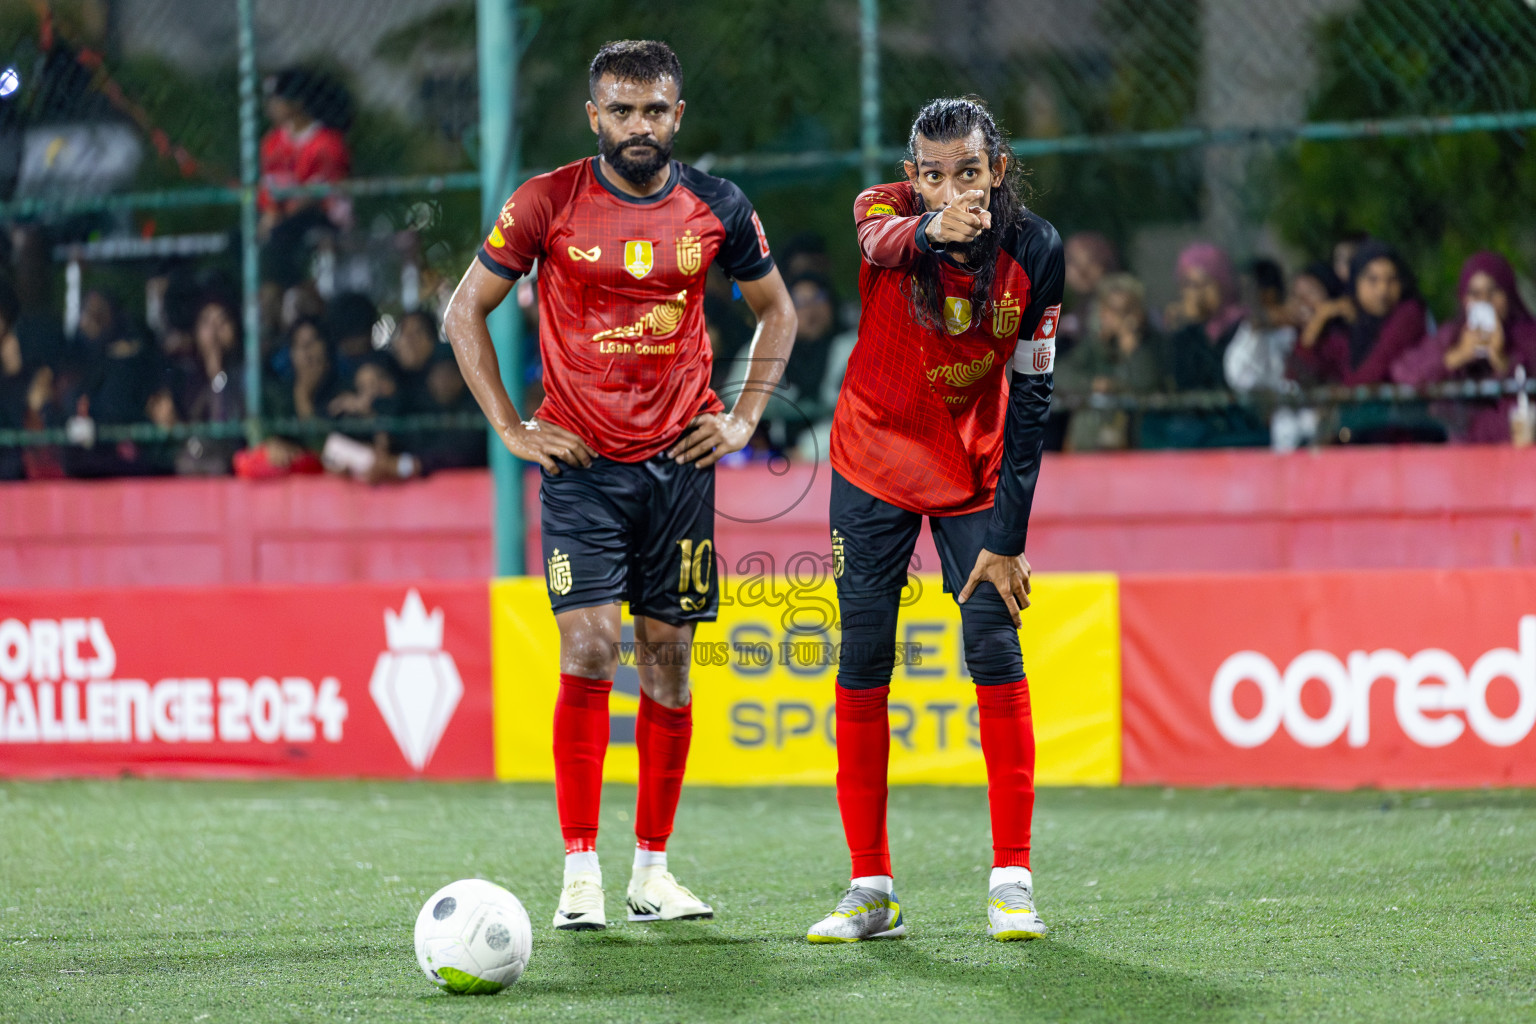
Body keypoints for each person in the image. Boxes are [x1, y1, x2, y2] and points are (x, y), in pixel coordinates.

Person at [441, 40, 796, 932]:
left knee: (670, 665)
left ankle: (652, 872)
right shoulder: (545, 202)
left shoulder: (719, 205)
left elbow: (778, 312)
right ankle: (580, 873)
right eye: (622, 110)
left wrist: (746, 418)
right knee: (594, 646)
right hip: (583, 468)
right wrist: (512, 430)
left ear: (678, 115)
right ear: (593, 116)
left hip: (679, 467)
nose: (640, 125)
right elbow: (463, 312)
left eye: (655, 110)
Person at [805, 96, 1060, 945]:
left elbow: (1033, 394)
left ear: (999, 169)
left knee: (994, 643)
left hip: (973, 469)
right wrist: (933, 228)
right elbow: (883, 242)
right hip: (872, 460)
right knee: (865, 657)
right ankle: (870, 889)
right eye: (935, 174)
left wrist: (1009, 536)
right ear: (913, 178)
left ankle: (1012, 882)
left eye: (971, 172)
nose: (955, 188)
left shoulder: (1037, 252)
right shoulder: (883, 214)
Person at [1391, 251, 1536, 443]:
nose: (1484, 301)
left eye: (1493, 292)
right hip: (1461, 456)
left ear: (1508, 295)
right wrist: (1458, 355)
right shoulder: (1452, 336)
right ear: (1463, 299)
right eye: (1475, 294)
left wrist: (1503, 362)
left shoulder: (1526, 337)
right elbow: (1404, 374)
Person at [1290, 241, 1426, 387]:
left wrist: (1343, 396)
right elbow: (1299, 372)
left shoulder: (1408, 313)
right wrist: (1318, 321)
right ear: (1356, 283)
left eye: (1392, 280)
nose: (1382, 290)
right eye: (1372, 280)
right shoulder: (1352, 321)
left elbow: (1377, 366)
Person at [1055, 273, 1164, 451]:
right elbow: (1060, 375)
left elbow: (1145, 383)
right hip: (1088, 444)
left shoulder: (1150, 344)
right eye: (1112, 309)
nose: (1118, 317)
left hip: (1133, 445)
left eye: (1126, 310)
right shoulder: (1092, 345)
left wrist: (1131, 351)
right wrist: (1091, 383)